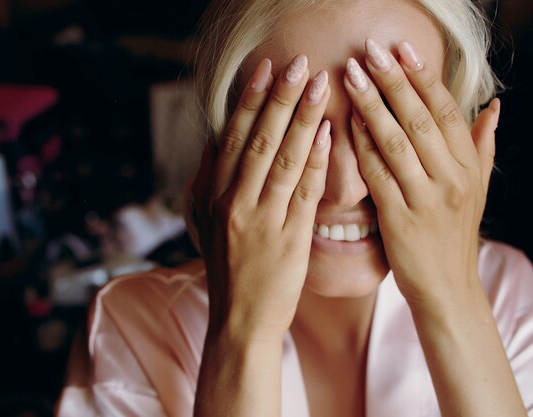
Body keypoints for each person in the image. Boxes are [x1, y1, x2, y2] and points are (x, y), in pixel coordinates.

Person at [56, 0, 533, 415]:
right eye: (296, 130)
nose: (344, 190)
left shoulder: (511, 302)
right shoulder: (130, 329)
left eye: (391, 124)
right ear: (228, 140)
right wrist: (243, 336)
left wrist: (452, 303)